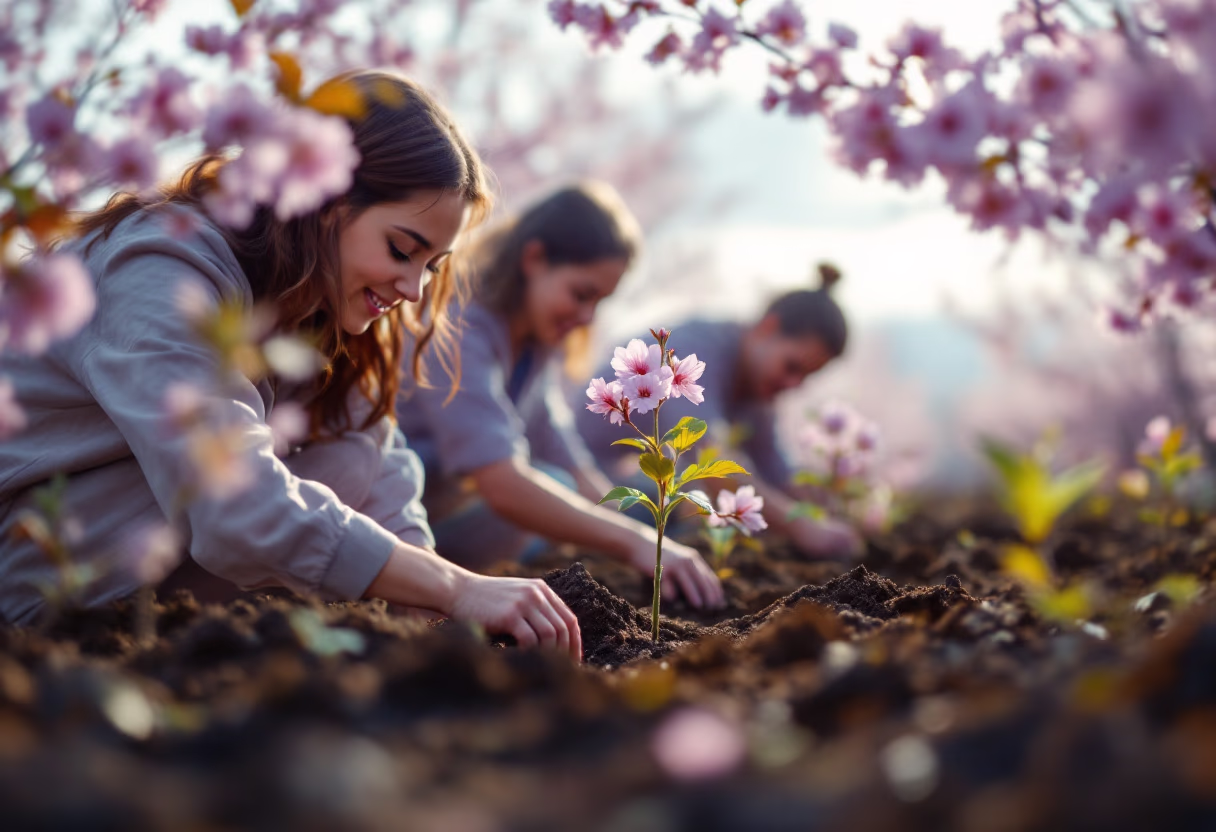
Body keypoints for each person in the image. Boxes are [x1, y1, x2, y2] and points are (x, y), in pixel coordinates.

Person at [0, 72, 582, 659]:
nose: (412, 286)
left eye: (431, 265)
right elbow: (234, 499)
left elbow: (380, 463)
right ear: (324, 202)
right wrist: (456, 586)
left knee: (353, 452)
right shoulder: (159, 265)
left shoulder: (315, 305)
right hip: (35, 586)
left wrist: (433, 607)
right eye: (402, 250)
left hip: (148, 586)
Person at [398, 184, 724, 610]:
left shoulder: (531, 345)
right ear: (534, 259)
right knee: (555, 487)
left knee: (633, 490)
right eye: (581, 293)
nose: (587, 317)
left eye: (599, 302)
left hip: (442, 511)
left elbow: (562, 448)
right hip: (398, 521)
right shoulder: (459, 326)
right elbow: (502, 485)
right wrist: (633, 542)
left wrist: (640, 525)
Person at [576, 263, 862, 559]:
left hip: (628, 491)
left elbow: (774, 466)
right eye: (792, 367)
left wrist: (821, 507)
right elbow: (710, 460)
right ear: (768, 328)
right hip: (584, 484)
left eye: (806, 377)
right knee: (684, 511)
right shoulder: (693, 352)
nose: (793, 384)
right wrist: (800, 526)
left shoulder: (754, 388)